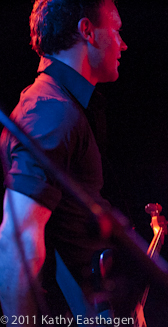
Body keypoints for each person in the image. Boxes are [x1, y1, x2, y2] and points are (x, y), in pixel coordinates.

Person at [0, 0, 138, 324]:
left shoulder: (59, 105)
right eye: (116, 30)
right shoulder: (50, 110)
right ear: (87, 31)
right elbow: (14, 245)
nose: (123, 43)